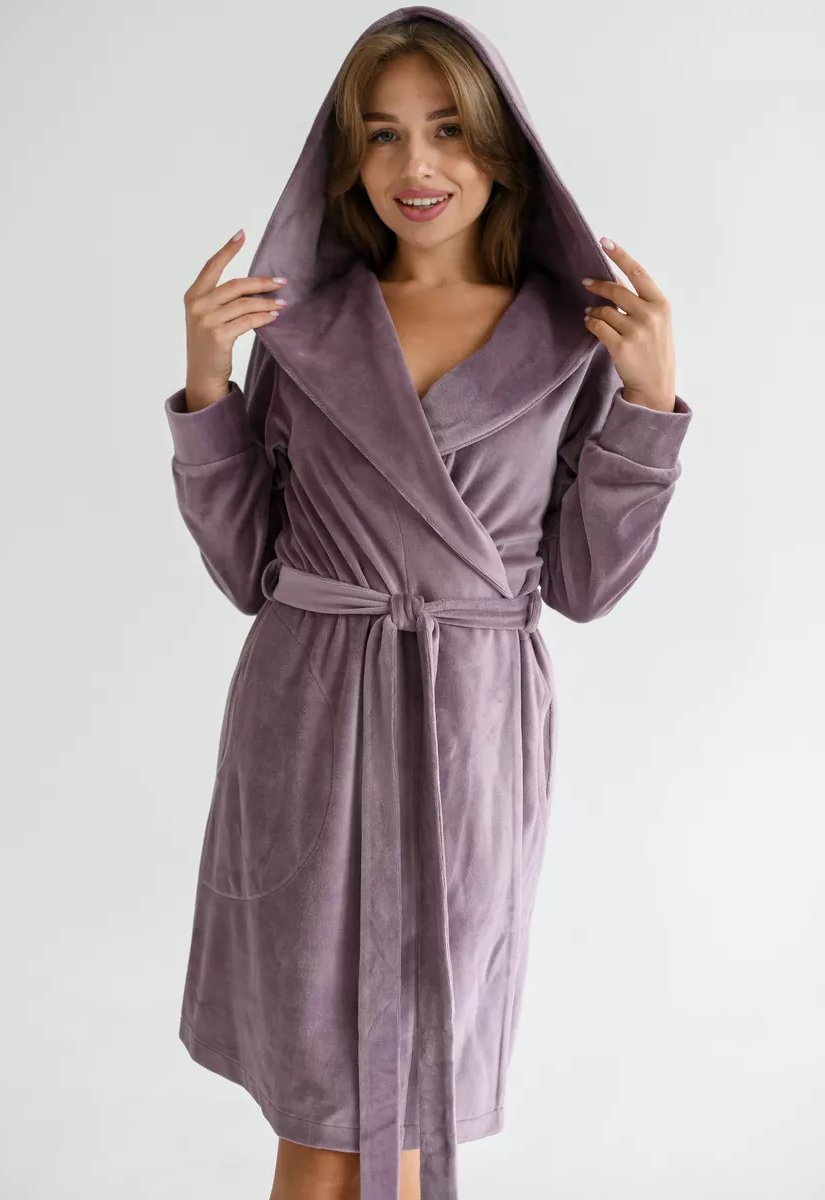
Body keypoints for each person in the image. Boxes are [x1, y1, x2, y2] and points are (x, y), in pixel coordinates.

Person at [163, 7, 693, 1199]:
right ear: (348, 156)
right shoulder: (301, 332)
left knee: (399, 1104)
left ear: (501, 145)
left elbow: (584, 586)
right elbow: (248, 568)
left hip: (467, 733)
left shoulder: (569, 340)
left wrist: (649, 411)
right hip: (308, 725)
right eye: (384, 133)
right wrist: (207, 390)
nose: (417, 164)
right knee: (321, 1116)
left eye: (449, 129)